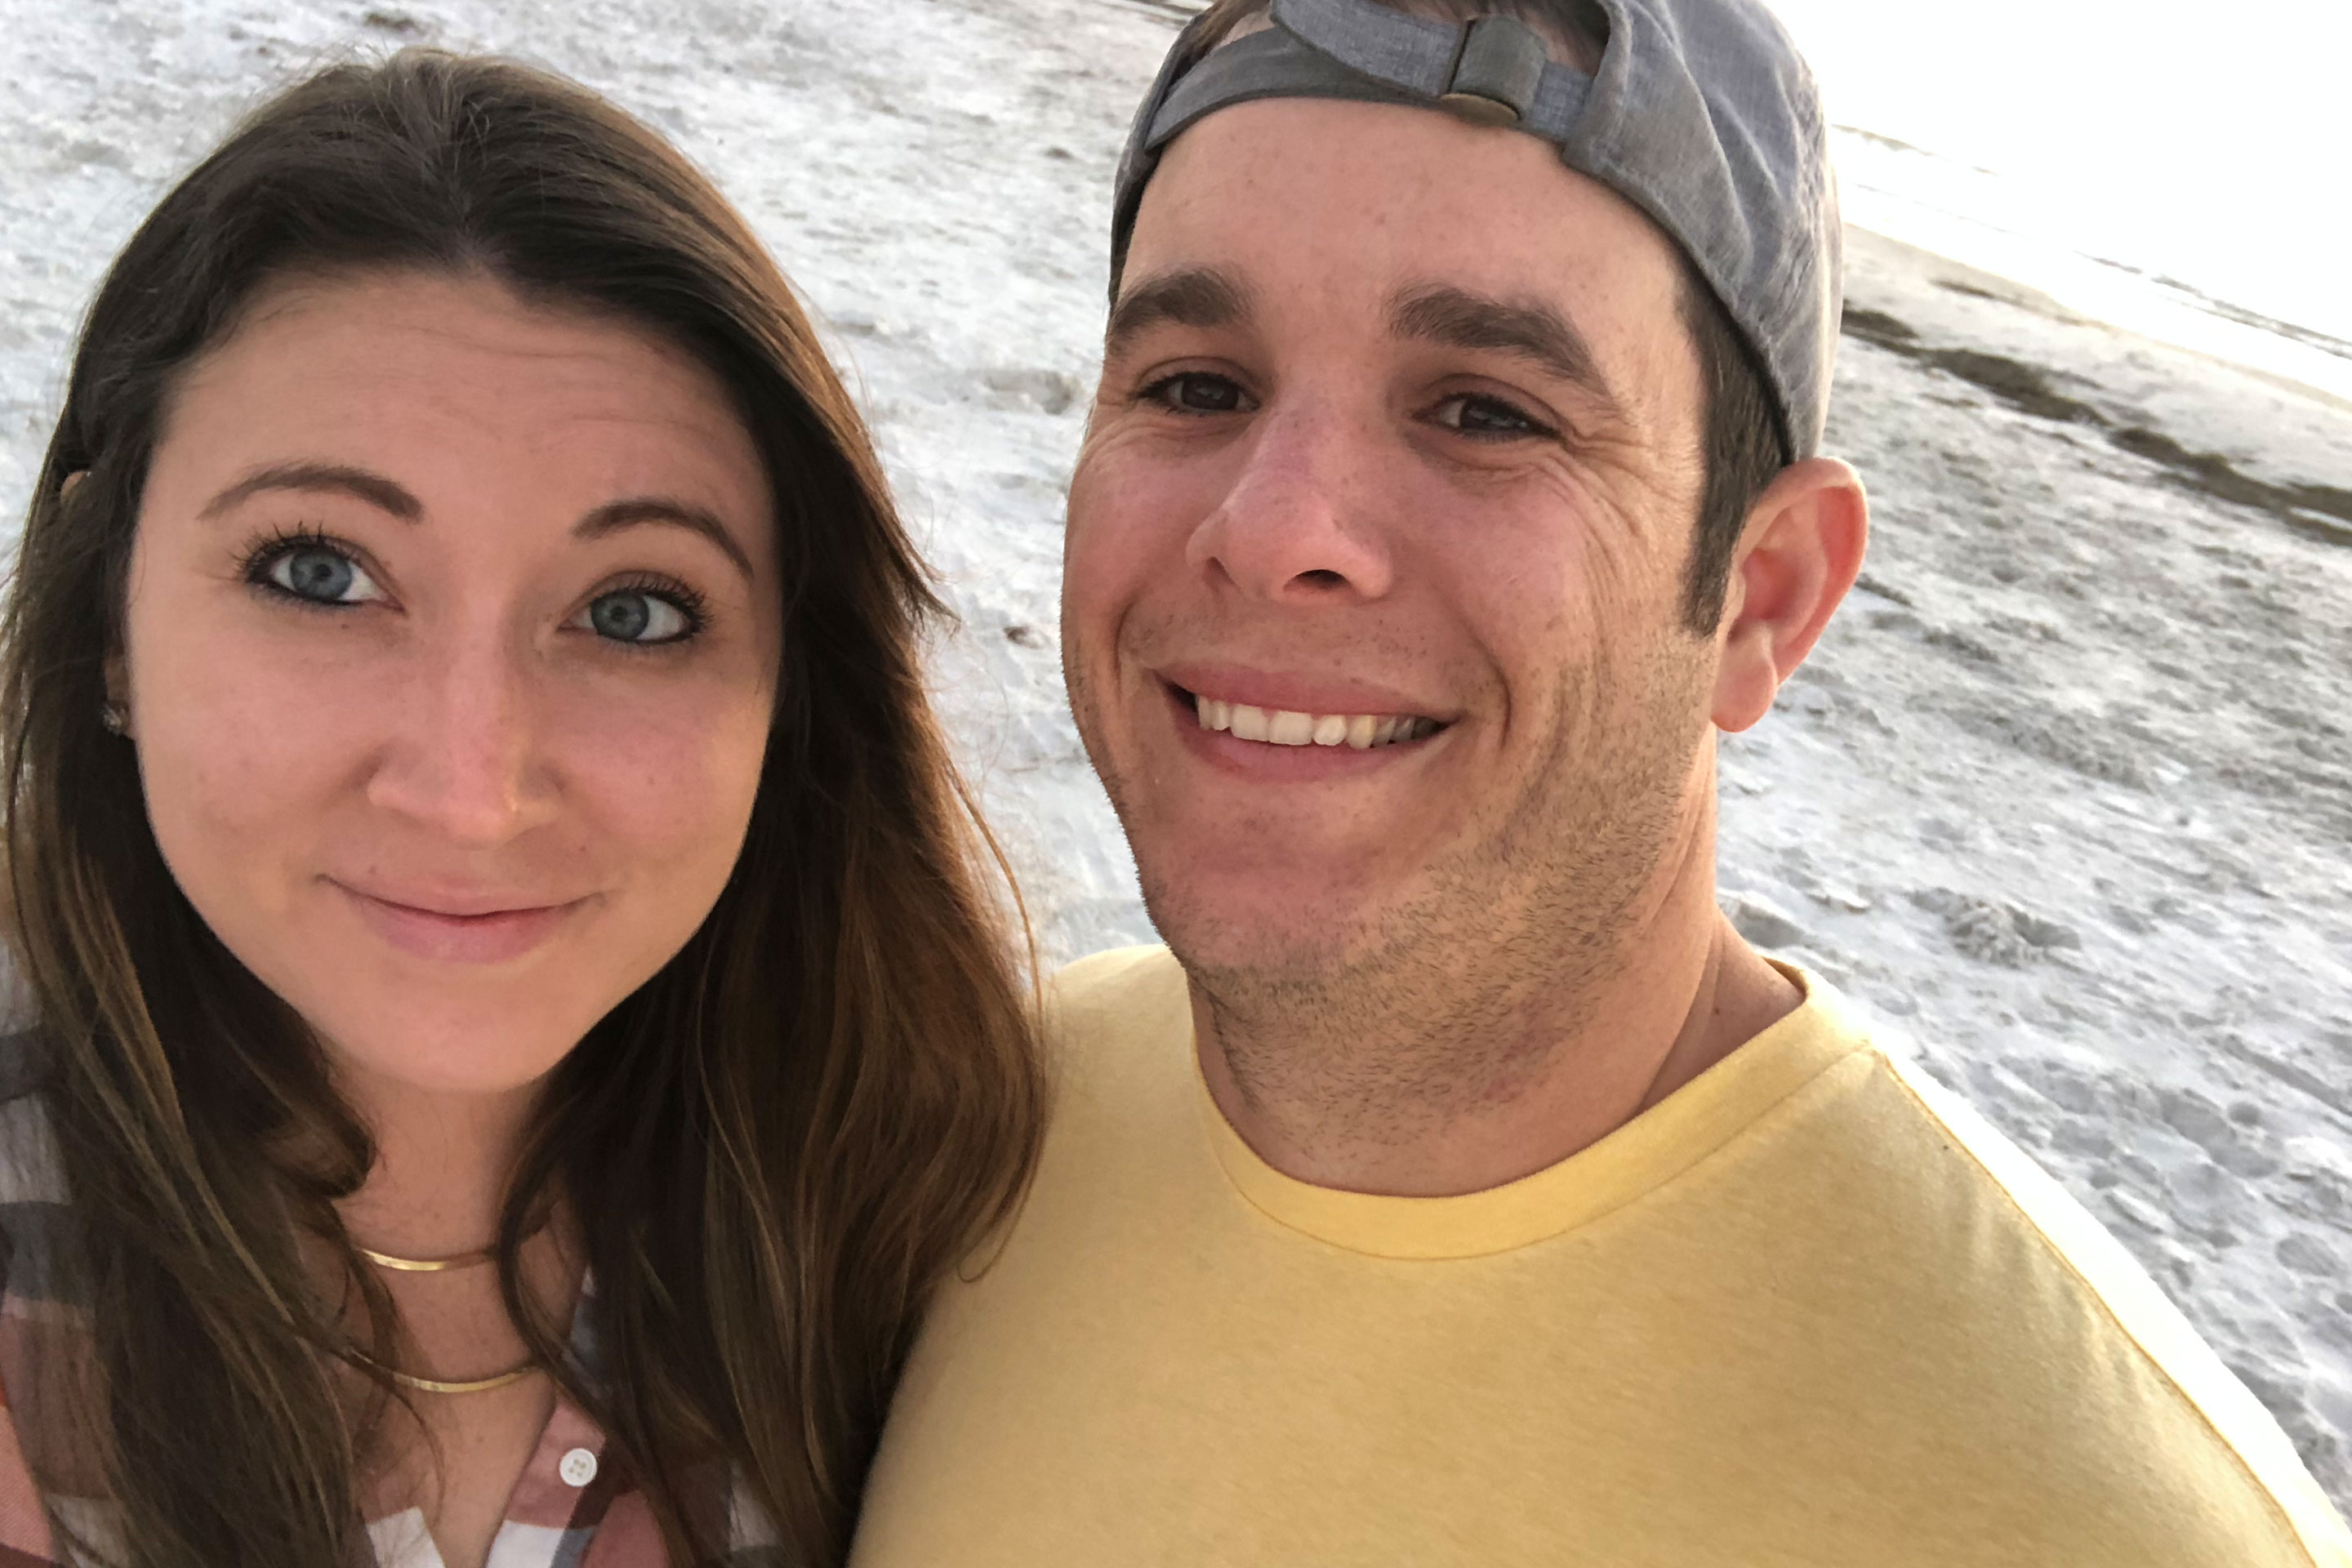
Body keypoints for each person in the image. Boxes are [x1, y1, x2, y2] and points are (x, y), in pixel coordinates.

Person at [851, 0, 2352, 1562]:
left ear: (1763, 596)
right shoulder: (992, 1133)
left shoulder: (2090, 1518)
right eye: (1196, 384)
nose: (1276, 523)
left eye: (1488, 412)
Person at [0, 51, 1044, 1568]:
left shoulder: (946, 1214)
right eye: (320, 572)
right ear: (112, 627)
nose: (472, 784)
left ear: (789, 690)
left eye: (632, 611)